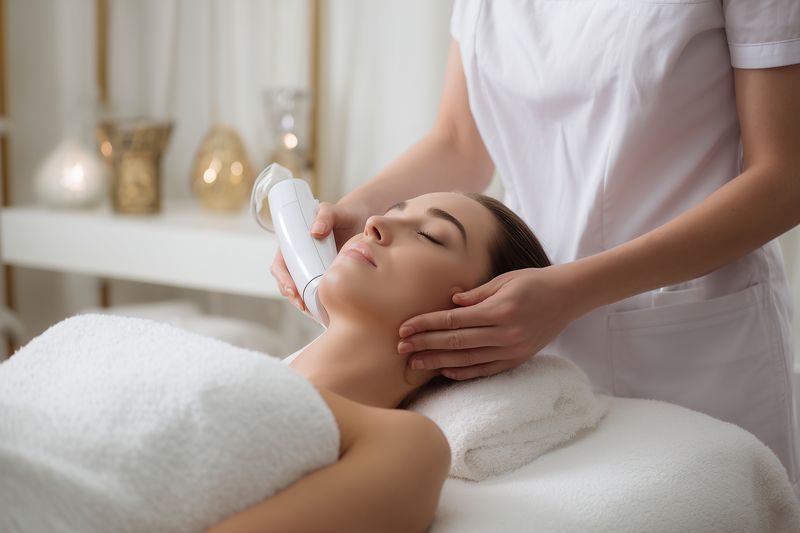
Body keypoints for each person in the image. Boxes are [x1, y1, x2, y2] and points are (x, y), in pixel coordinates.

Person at [272, 1, 800, 494]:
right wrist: (353, 215)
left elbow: (785, 179)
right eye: (389, 221)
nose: (380, 229)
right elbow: (459, 141)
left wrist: (573, 291)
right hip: (514, 354)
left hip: (690, 346)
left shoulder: (406, 455)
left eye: (429, 233)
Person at [211, 191, 550, 532]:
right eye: (391, 212)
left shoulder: (411, 448)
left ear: (481, 317)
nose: (374, 223)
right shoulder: (222, 367)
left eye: (430, 235)